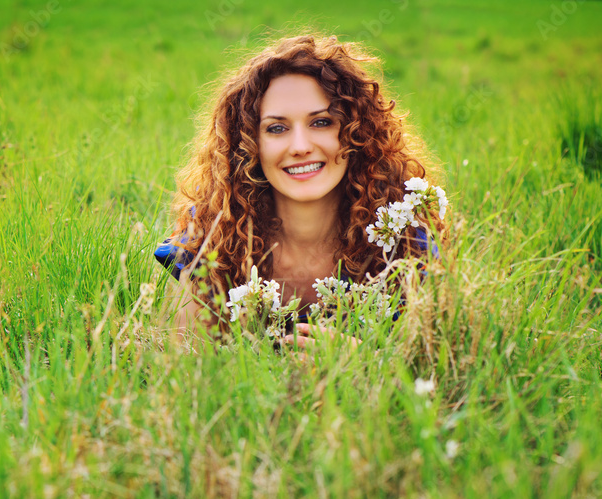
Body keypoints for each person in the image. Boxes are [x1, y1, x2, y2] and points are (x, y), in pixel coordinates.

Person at [155, 33, 444, 349]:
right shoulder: (215, 231)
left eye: (321, 123)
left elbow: (437, 364)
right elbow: (185, 366)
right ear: (249, 144)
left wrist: (362, 366)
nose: (300, 147)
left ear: (356, 133)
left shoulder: (403, 237)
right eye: (277, 128)